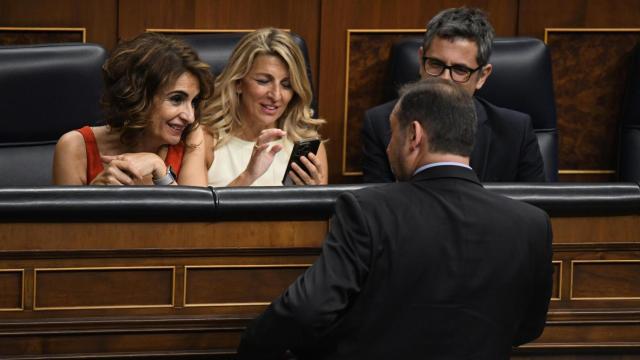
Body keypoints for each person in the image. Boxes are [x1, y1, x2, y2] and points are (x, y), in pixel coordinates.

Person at [237, 78, 553, 360]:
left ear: (413, 135)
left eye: (392, 132)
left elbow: (305, 310)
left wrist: (251, 348)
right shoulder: (531, 224)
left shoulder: (368, 209)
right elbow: (528, 328)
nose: (388, 147)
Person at [362, 7, 546, 183]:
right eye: (435, 64)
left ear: (482, 76)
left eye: (459, 70)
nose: (444, 79)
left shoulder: (515, 131)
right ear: (420, 60)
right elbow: (379, 206)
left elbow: (535, 209)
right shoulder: (380, 123)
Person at [53, 32, 214, 186]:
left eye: (193, 102)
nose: (190, 117)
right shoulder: (75, 146)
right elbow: (65, 215)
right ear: (137, 96)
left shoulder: (191, 139)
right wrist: (96, 196)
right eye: (176, 99)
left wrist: (160, 170)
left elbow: (195, 213)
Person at [203, 28, 328, 186]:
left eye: (286, 85)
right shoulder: (205, 140)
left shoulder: (307, 145)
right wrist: (248, 176)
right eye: (263, 81)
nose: (276, 95)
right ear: (238, 83)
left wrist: (316, 201)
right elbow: (195, 210)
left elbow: (322, 211)